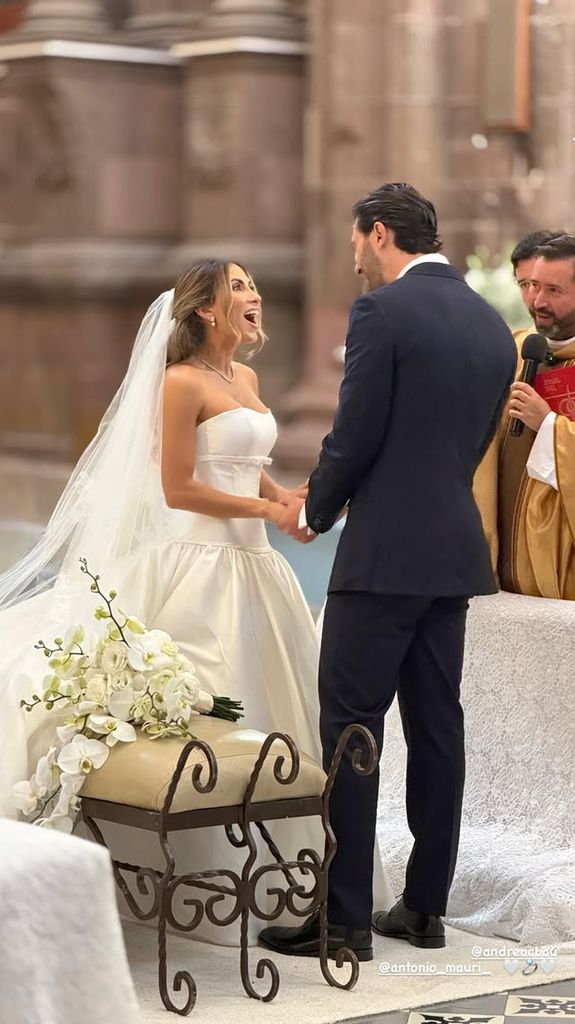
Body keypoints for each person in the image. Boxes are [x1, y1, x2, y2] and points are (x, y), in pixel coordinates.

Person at [0, 259, 394, 940]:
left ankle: (295, 882)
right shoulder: (179, 382)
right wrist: (261, 509)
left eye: (251, 284)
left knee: (282, 702)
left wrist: (285, 499)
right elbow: (179, 487)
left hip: (254, 566)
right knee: (207, 692)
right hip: (196, 566)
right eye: (238, 287)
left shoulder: (243, 377)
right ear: (205, 310)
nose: (254, 295)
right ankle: (193, 877)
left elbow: (248, 463)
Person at [258, 183, 517, 961]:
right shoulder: (488, 324)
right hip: (451, 555)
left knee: (349, 728)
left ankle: (341, 921)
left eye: (355, 246)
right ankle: (422, 909)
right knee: (438, 728)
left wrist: (317, 508)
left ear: (377, 235)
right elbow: (467, 446)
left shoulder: (382, 313)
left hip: (382, 561)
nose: (356, 263)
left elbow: (357, 428)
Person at [474, 234, 575, 597]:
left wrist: (548, 425)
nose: (537, 301)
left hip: (562, 568)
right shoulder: (514, 350)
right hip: (501, 552)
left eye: (553, 290)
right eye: (531, 286)